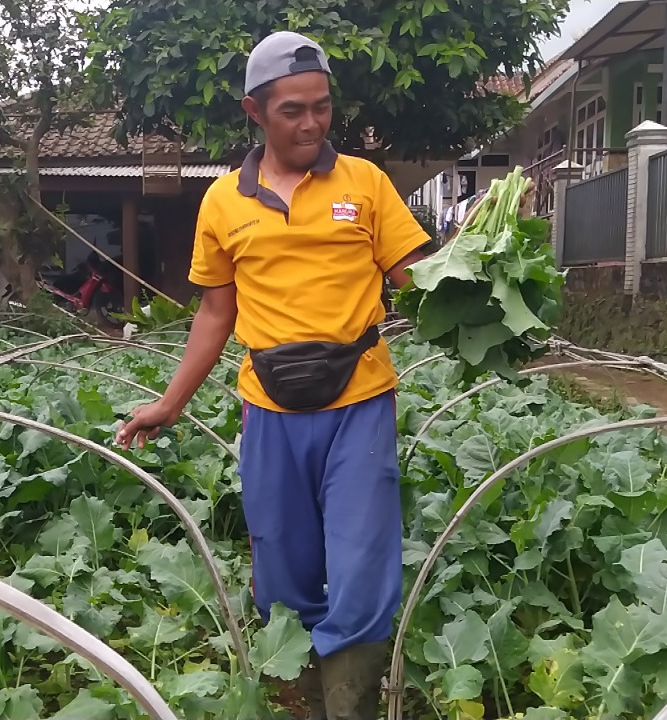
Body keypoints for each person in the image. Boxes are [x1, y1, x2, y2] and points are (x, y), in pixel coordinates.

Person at [116, 30, 430, 720]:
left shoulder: (366, 185)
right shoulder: (224, 203)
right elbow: (214, 312)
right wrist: (170, 403)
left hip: (360, 403)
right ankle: (297, 703)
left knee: (360, 567)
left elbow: (417, 279)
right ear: (254, 112)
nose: (312, 123)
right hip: (269, 409)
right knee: (284, 574)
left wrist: (485, 285)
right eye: (293, 110)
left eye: (321, 107)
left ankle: (349, 709)